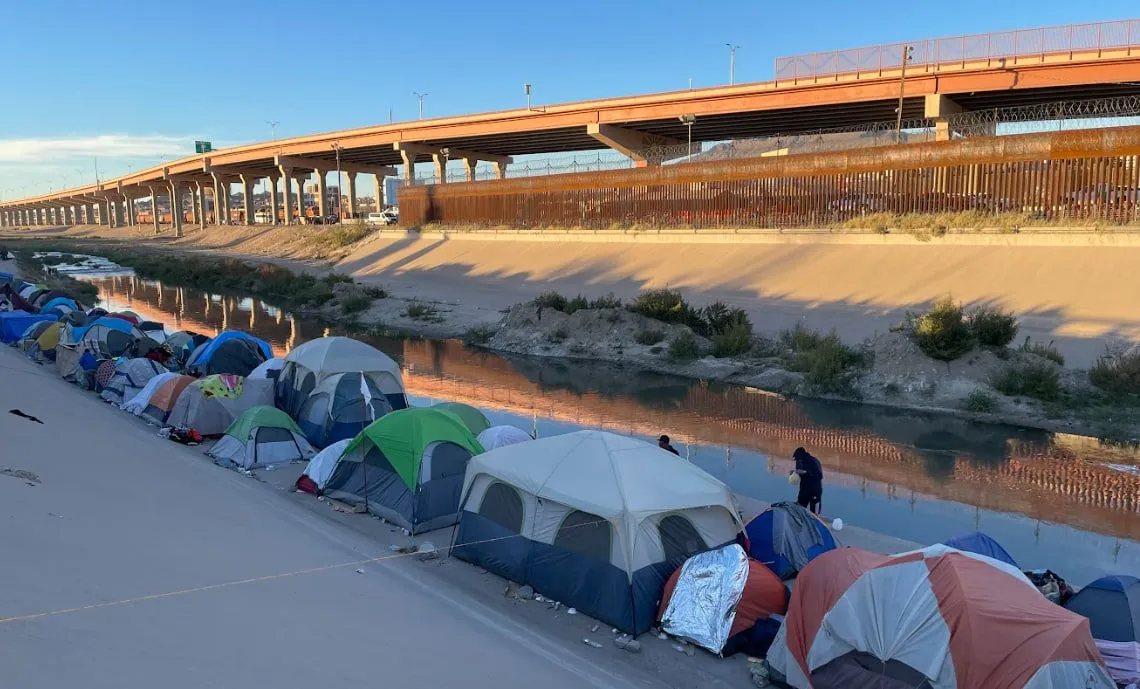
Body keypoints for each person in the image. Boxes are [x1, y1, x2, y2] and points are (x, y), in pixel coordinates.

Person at [790, 446, 823, 514]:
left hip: (814, 490)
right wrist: (794, 473)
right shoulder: (800, 461)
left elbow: (819, 475)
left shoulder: (813, 461)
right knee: (799, 510)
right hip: (804, 491)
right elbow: (799, 474)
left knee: (813, 514)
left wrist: (805, 472)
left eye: (797, 459)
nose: (797, 462)